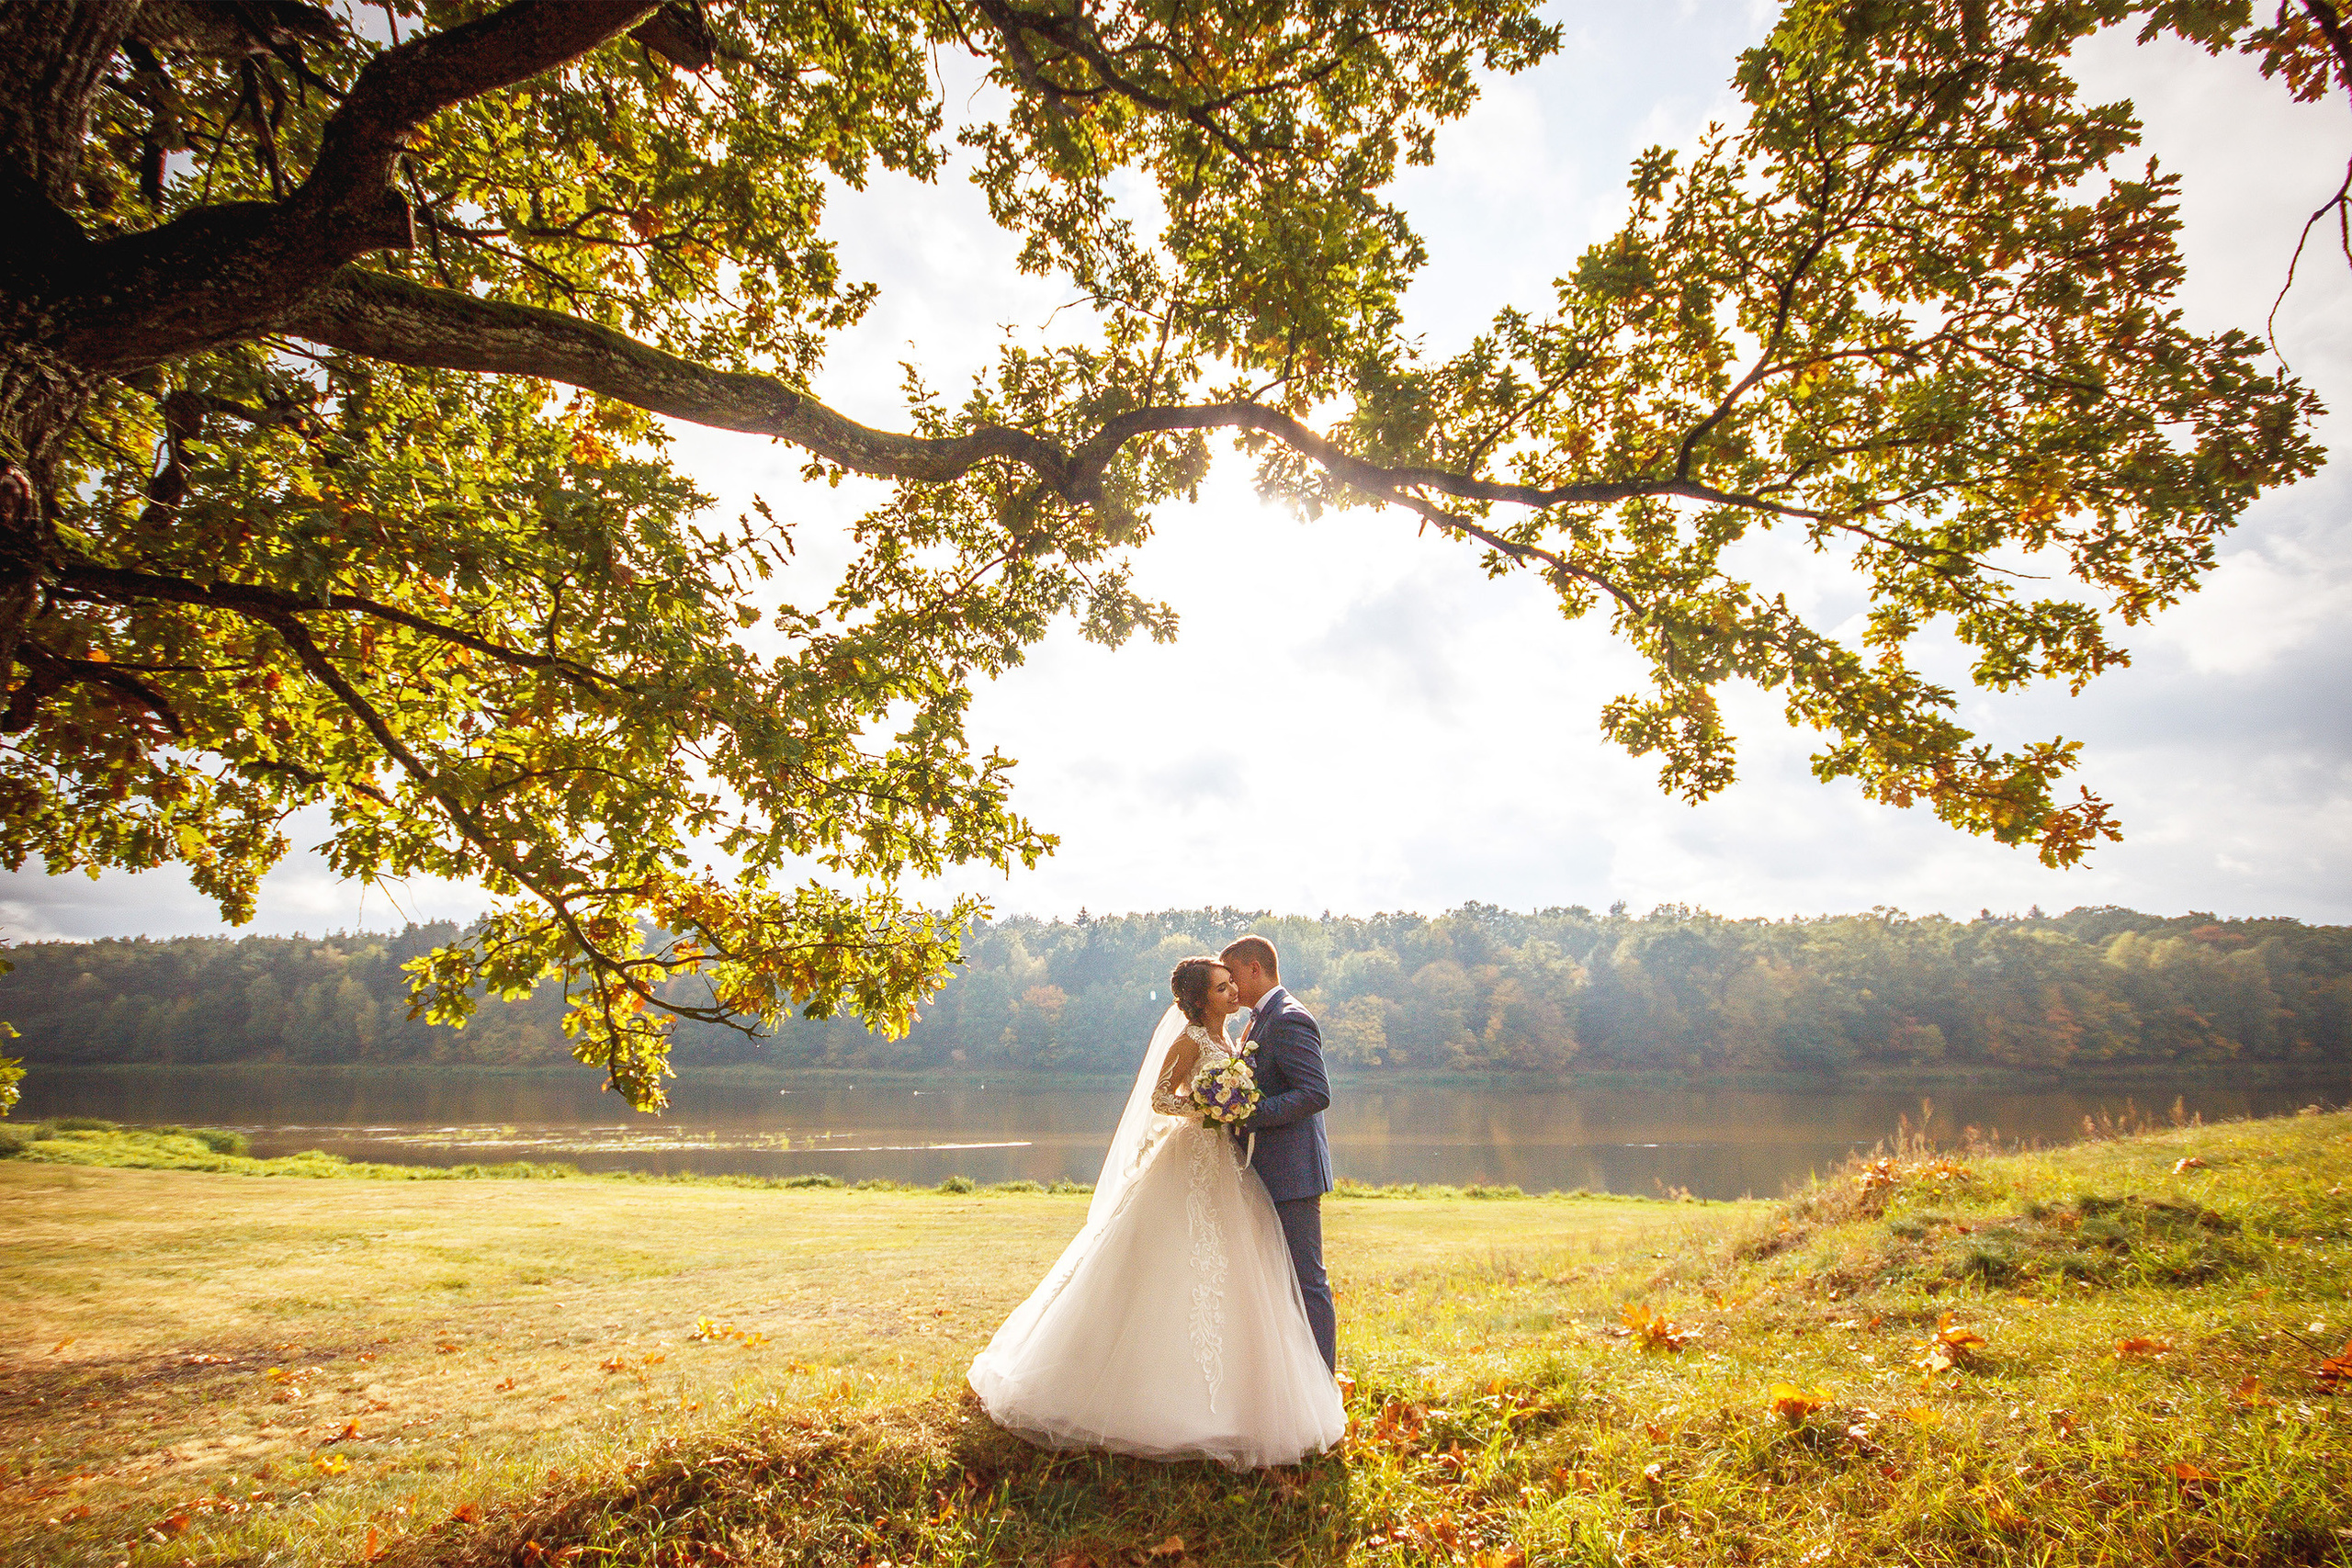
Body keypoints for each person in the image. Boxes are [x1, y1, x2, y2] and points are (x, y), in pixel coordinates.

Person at [966, 955, 1345, 1469]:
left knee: (1242, 1271)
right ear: (1199, 999)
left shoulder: (1240, 1034)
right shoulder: (1190, 1039)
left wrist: (1234, 1109)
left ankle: (1256, 1388)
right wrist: (1210, 1110)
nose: (1231, 990)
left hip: (1230, 1163)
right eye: (1220, 986)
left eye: (1232, 981)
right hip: (1192, 1153)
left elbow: (1289, 1090)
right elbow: (1162, 1098)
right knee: (1172, 1264)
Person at [1218, 935, 1337, 1372]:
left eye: (1233, 976)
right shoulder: (1258, 1020)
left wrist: (1248, 1114)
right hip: (1266, 1169)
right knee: (1275, 1280)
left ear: (1254, 969)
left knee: (1307, 1282)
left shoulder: (1288, 1019)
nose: (1230, 987)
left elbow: (1315, 1093)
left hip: (1294, 1173)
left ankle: (1323, 1385)